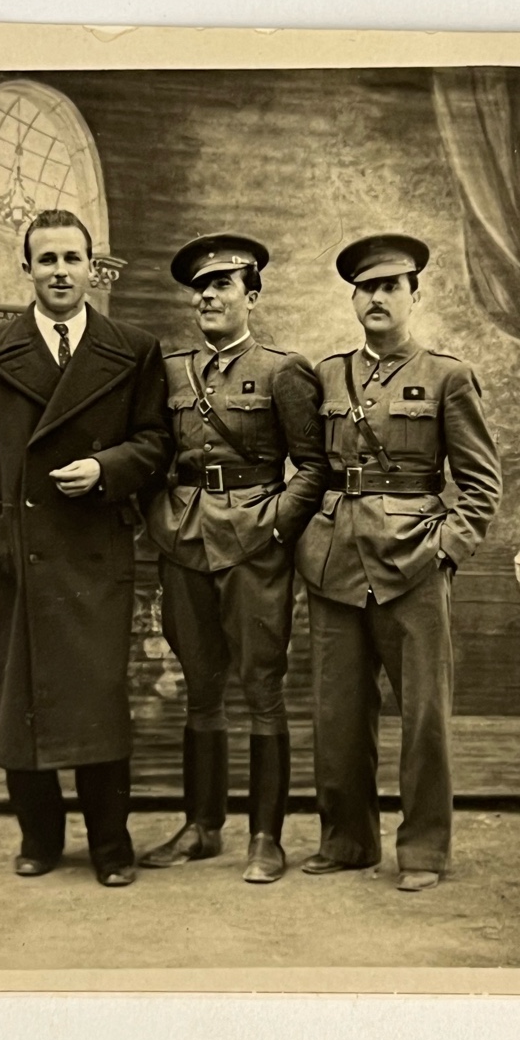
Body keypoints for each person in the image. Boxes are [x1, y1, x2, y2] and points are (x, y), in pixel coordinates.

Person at [0, 209, 172, 887]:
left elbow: (157, 442)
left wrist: (107, 470)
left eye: (73, 259)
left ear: (93, 268)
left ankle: (111, 847)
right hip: (22, 554)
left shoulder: (132, 347)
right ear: (28, 269)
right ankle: (39, 838)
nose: (61, 272)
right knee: (23, 700)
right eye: (48, 260)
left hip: (95, 549)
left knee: (99, 699)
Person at [295, 234, 502, 891]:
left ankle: (423, 852)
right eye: (367, 288)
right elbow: (310, 467)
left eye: (391, 286)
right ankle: (349, 840)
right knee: (336, 712)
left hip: (413, 561)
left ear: (415, 295)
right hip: (334, 561)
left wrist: (447, 548)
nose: (378, 297)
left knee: (424, 716)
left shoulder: (448, 376)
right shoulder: (327, 376)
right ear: (354, 299)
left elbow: (480, 483)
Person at [140, 233, 329, 883]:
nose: (209, 297)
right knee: (200, 687)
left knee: (262, 688)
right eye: (201, 288)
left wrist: (277, 526)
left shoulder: (283, 370)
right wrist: (157, 524)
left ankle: (265, 837)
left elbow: (313, 465)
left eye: (223, 285)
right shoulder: (169, 371)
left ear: (253, 296)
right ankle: (200, 827)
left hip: (253, 542)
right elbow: (152, 455)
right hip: (183, 541)